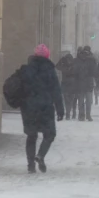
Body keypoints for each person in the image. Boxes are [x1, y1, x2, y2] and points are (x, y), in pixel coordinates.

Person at [20, 44, 65, 174]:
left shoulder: (27, 69)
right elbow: (56, 91)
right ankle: (40, 155)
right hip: (45, 107)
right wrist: (60, 109)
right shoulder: (50, 70)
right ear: (47, 56)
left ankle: (30, 165)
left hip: (29, 107)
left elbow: (20, 88)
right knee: (50, 134)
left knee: (31, 135)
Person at [75, 45, 97, 121]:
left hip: (80, 82)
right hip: (89, 82)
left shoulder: (78, 58)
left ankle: (81, 115)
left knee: (81, 100)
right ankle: (88, 115)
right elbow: (94, 71)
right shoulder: (92, 59)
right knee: (88, 100)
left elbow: (75, 70)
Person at [56, 53, 77, 120]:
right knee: (66, 99)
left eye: (69, 59)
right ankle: (68, 113)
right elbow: (57, 66)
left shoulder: (73, 65)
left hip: (71, 84)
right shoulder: (64, 65)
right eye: (67, 59)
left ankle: (70, 112)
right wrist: (61, 60)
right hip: (66, 83)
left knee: (71, 99)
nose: (68, 61)